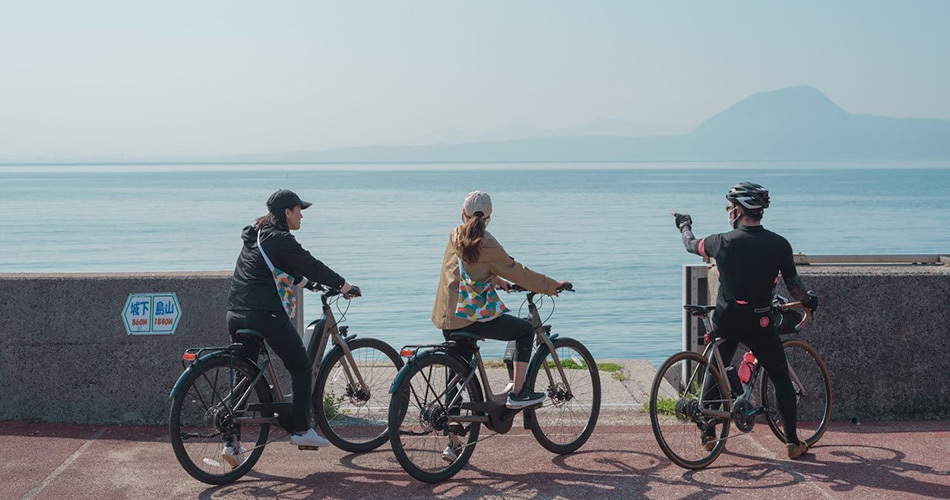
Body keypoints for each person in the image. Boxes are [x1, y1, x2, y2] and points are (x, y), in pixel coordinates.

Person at [673, 182, 819, 460]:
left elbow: (691, 244)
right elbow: (795, 288)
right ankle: (792, 442)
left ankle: (709, 432)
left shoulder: (720, 241)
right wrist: (809, 301)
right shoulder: (779, 244)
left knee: (716, 369)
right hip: (759, 322)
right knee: (780, 377)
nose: (729, 211)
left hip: (726, 319)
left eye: (730, 207)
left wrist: (684, 225)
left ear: (738, 211)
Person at [432, 191, 570, 461]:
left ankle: (453, 442)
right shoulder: (487, 242)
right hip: (470, 315)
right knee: (524, 330)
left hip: (447, 316)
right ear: (489, 217)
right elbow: (517, 271)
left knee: (457, 371)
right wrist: (551, 286)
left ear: (463, 213)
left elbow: (466, 268)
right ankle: (518, 393)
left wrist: (494, 279)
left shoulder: (454, 235)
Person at [224, 189, 360, 464]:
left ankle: (231, 443)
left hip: (236, 313)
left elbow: (279, 267)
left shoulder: (256, 234)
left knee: (245, 374)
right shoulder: (281, 239)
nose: (301, 217)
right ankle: (301, 430)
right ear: (287, 212)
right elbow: (311, 264)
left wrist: (308, 284)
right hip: (264, 315)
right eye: (299, 211)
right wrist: (344, 285)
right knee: (301, 367)